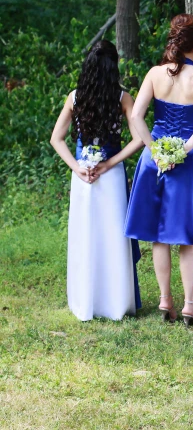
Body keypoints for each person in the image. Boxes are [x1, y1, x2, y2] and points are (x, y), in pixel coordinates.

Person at [125, 14, 193, 326]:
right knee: (187, 236)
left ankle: (166, 300)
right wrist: (181, 151)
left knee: (159, 235)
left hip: (155, 162)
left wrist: (155, 150)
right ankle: (189, 305)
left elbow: (137, 117)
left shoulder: (154, 74)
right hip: (189, 162)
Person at [50, 40, 143, 321]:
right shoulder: (122, 97)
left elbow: (57, 139)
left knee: (86, 236)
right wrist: (109, 164)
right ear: (113, 67)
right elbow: (139, 139)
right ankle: (116, 302)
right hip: (110, 177)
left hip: (83, 180)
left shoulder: (75, 97)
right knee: (113, 237)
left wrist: (78, 168)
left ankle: (85, 300)